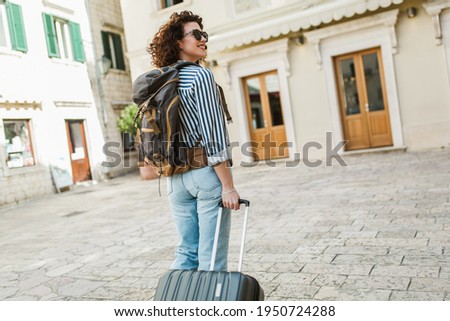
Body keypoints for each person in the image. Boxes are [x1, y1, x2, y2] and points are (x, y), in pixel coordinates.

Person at [147, 11, 240, 271]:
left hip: (175, 180)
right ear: (178, 42)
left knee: (187, 252)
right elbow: (214, 136)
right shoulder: (201, 76)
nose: (203, 39)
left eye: (204, 34)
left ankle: (175, 305)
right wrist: (228, 186)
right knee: (211, 259)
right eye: (195, 34)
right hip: (204, 176)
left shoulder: (162, 79)